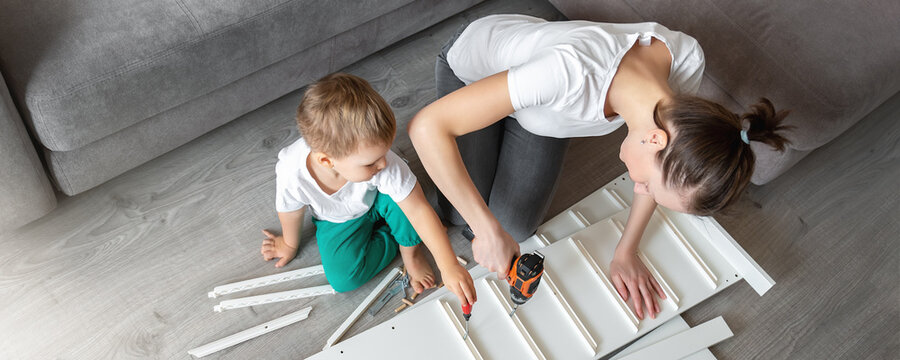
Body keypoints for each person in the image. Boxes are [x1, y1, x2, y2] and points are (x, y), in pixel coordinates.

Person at [408, 15, 789, 319]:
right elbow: (426, 127)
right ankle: (490, 120)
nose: (640, 190)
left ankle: (502, 119)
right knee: (463, 215)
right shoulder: (570, 73)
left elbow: (665, 172)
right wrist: (486, 230)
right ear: (656, 140)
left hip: (542, 107)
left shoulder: (681, 79)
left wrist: (627, 250)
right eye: (650, 187)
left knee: (517, 227)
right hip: (478, 71)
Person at [262, 73, 476, 305]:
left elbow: (418, 210)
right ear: (327, 161)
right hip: (337, 219)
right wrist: (289, 244)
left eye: (385, 153)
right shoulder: (292, 171)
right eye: (371, 162)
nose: (383, 164)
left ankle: (411, 252)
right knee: (343, 279)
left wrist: (449, 265)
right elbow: (290, 211)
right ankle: (402, 237)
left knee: (414, 210)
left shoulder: (384, 164)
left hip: (381, 198)